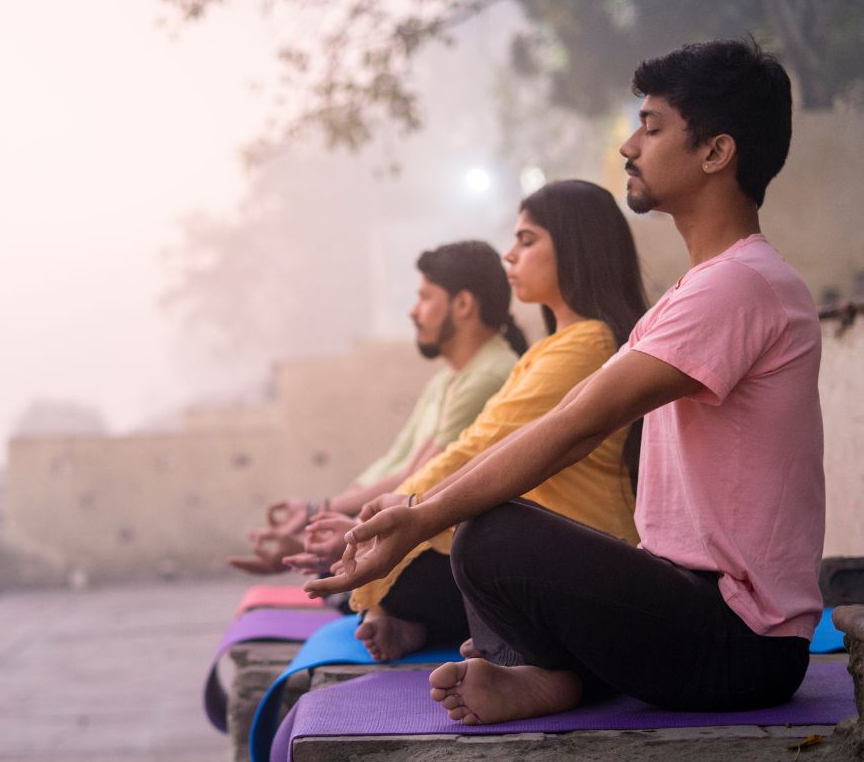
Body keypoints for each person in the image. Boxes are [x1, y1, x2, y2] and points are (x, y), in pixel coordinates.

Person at [304, 38, 822, 725]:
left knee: (488, 534)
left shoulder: (740, 285)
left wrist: (422, 516)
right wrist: (416, 508)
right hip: (691, 604)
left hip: (743, 643)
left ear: (716, 152)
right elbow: (558, 419)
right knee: (494, 533)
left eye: (653, 126)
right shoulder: (697, 291)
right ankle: (550, 673)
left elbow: (574, 425)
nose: (631, 146)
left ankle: (539, 669)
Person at [291, 179, 648, 662]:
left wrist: (383, 522)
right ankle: (439, 626)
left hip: (586, 553)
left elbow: (484, 447)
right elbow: (465, 448)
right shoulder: (555, 348)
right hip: (552, 548)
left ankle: (462, 633)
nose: (510, 256)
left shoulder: (588, 347)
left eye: (527, 240)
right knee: (410, 558)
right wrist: (378, 520)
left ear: (575, 245)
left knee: (461, 551)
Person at [228, 241, 525, 574]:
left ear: (463, 304)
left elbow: (415, 479)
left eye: (425, 297)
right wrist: (318, 524)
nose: (414, 311)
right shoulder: (446, 381)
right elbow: (397, 467)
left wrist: (333, 529)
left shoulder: (488, 375)